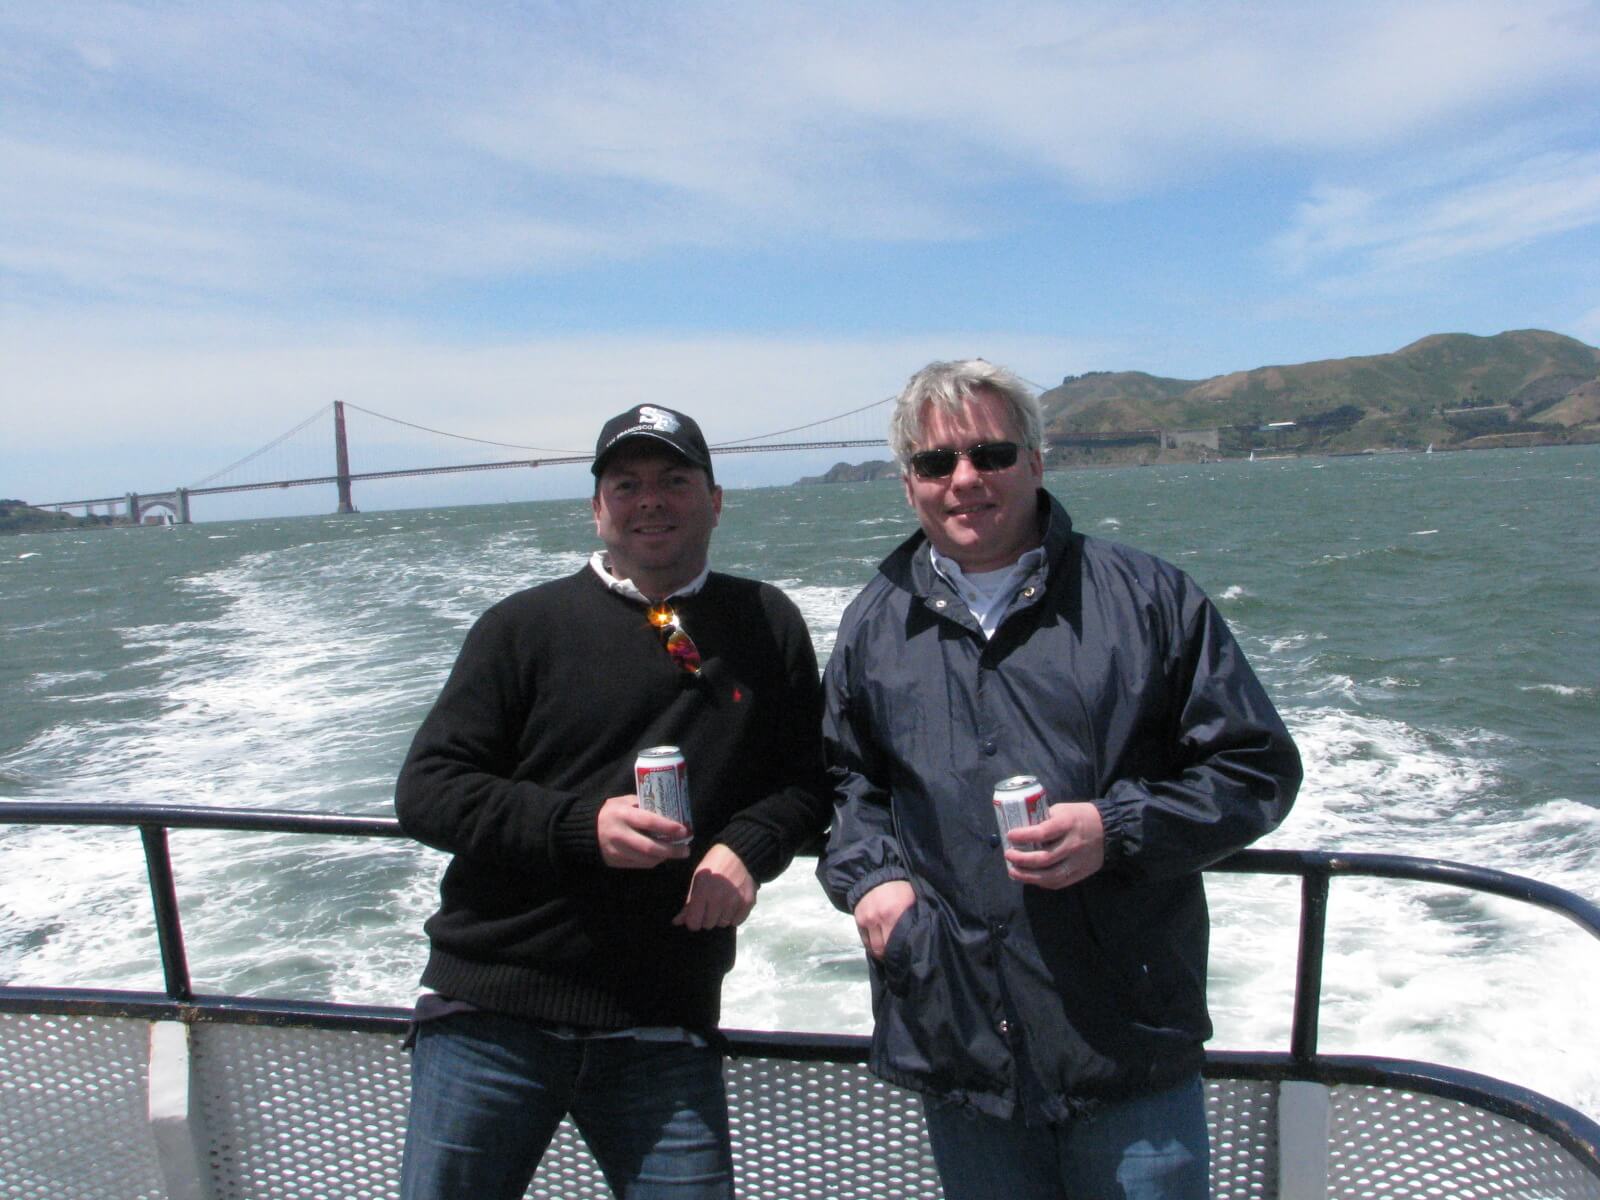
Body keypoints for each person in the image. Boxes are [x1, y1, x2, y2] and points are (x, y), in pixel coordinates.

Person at [816, 360, 1301, 1200]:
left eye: (990, 454)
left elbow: (1255, 769)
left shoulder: (1149, 598)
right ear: (909, 485)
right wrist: (873, 882)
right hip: (961, 1042)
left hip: (1124, 1048)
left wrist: (1115, 829)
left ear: (1037, 462)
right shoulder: (872, 625)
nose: (964, 480)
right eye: (936, 464)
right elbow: (845, 784)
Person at [396, 403, 830, 1200]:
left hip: (662, 1022)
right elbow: (427, 791)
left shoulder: (765, 623)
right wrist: (578, 825)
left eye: (673, 480)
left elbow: (808, 780)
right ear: (597, 510)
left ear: (716, 499)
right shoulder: (521, 627)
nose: (649, 500)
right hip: (490, 1015)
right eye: (625, 485)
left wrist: (751, 848)